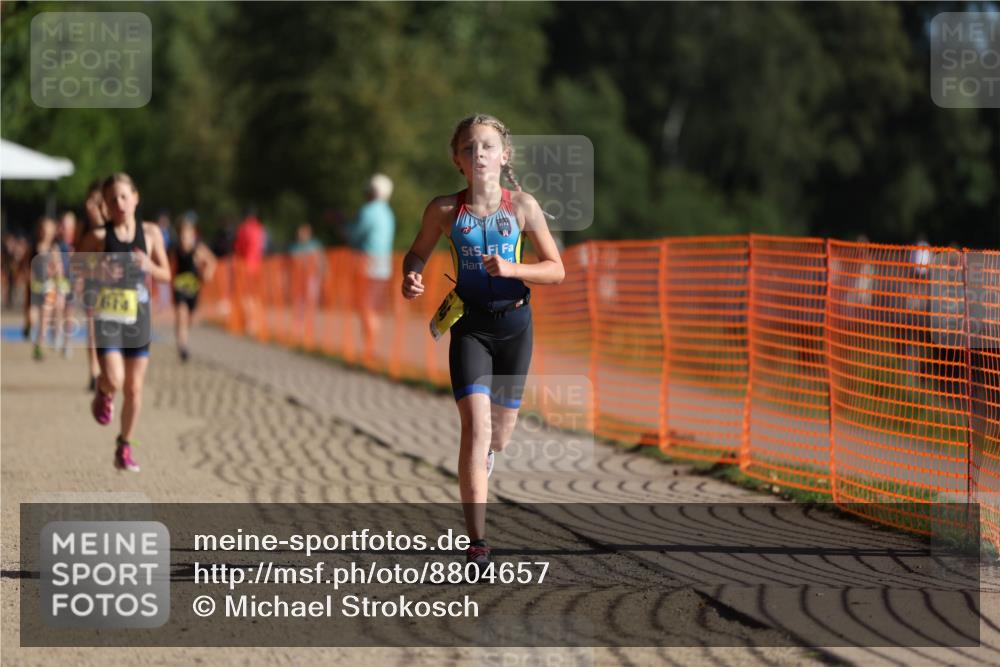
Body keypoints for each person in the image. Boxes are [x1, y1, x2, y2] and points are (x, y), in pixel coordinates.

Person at [401, 114, 564, 572]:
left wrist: (513, 269)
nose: (479, 155)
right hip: (470, 327)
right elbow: (417, 252)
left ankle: (488, 455)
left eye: (488, 147)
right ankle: (477, 544)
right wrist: (411, 275)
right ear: (457, 160)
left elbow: (556, 269)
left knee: (500, 437)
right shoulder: (443, 211)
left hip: (515, 326)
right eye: (469, 148)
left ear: (504, 155)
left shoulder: (523, 207)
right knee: (476, 429)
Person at [83, 173, 171, 472]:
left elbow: (166, 274)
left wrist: (149, 266)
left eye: (124, 196)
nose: (119, 203)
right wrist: (101, 273)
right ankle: (103, 389)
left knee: (134, 388)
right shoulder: (98, 237)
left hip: (138, 318)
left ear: (135, 197)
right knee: (116, 380)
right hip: (108, 317)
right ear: (106, 206)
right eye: (112, 199)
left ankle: (124, 446)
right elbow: (77, 270)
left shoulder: (151, 234)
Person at [345, 174, 396, 366]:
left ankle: (369, 349)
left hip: (366, 267)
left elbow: (353, 234)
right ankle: (371, 348)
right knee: (374, 309)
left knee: (366, 307)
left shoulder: (368, 211)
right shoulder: (388, 213)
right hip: (383, 268)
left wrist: (341, 224)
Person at [171, 216, 217, 362]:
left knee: (189, 319)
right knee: (181, 314)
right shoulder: (175, 249)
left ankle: (184, 337)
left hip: (193, 288)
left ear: (193, 236)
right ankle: (182, 346)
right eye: (182, 236)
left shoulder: (198, 249)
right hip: (179, 287)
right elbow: (170, 264)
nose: (184, 239)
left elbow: (212, 261)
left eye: (187, 236)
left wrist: (207, 274)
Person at [26, 216, 62, 360]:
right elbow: (27, 265)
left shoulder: (54, 248)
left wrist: (55, 277)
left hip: (49, 287)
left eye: (48, 230)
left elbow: (58, 269)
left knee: (44, 319)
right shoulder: (33, 246)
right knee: (32, 316)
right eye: (43, 229)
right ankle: (29, 328)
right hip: (35, 287)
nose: (45, 232)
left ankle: (39, 347)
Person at [233, 207, 265, 335]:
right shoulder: (260, 229)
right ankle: (256, 321)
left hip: (246, 266)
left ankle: (250, 323)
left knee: (246, 295)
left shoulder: (244, 228)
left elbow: (239, 247)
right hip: (258, 265)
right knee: (255, 295)